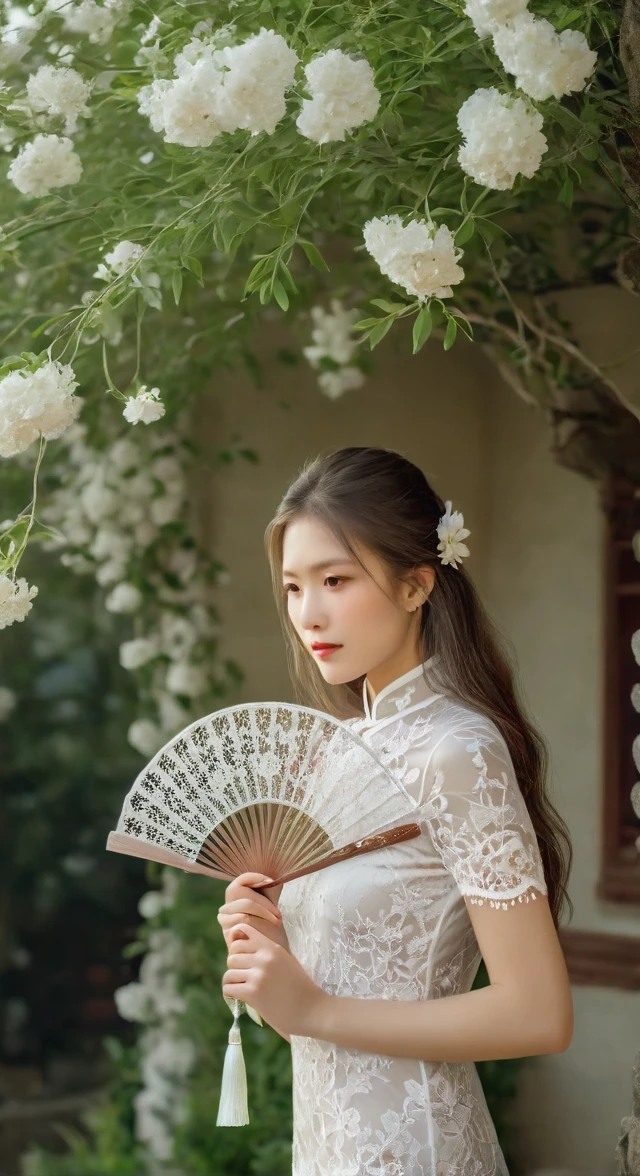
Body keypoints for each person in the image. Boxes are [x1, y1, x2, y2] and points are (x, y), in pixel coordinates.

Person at [217, 445, 574, 1176]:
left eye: (335, 580)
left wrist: (315, 1011)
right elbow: (326, 1014)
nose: (307, 613)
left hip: (420, 1153)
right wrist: (271, 955)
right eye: (291, 587)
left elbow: (540, 1012)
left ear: (417, 585)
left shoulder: (459, 750)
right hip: (324, 1152)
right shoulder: (335, 755)